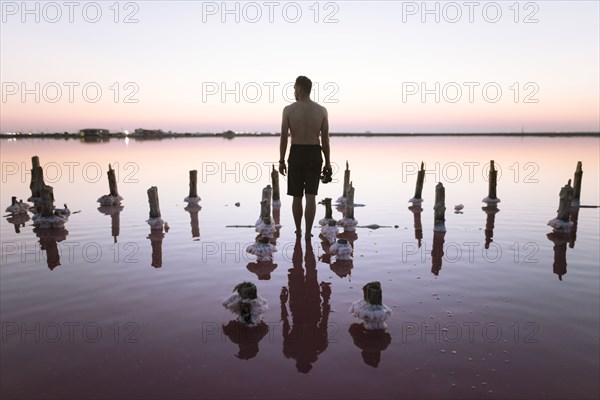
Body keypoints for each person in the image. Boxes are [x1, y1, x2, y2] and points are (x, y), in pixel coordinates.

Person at [279, 76, 331, 239]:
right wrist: (328, 162)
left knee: (297, 196)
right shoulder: (321, 110)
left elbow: (283, 138)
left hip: (296, 153)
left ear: (300, 89)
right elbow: (325, 140)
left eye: (294, 88)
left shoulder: (288, 110)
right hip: (315, 153)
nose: (294, 92)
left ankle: (299, 231)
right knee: (311, 196)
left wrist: (281, 160)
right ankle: (308, 233)